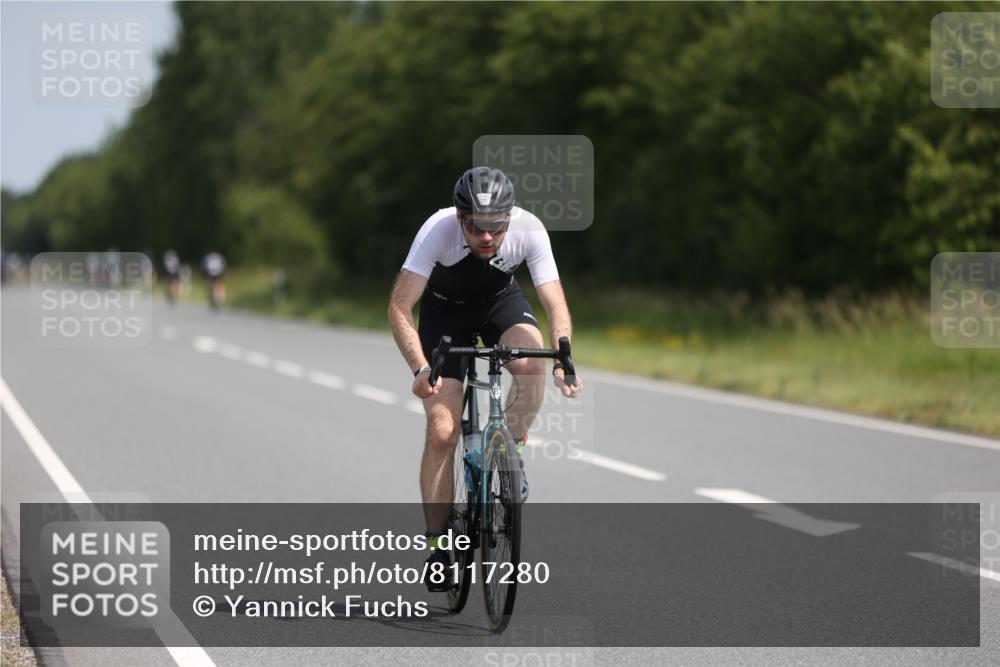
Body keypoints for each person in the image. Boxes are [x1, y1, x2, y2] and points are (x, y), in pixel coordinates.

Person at [388, 166, 583, 591]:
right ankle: (439, 546)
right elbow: (400, 306)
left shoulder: (530, 228)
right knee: (442, 431)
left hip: (499, 304)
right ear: (461, 218)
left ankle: (507, 450)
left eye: (497, 225)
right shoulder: (437, 230)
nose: (488, 236)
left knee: (532, 365)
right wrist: (420, 368)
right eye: (477, 225)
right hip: (444, 314)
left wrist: (563, 356)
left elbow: (554, 301)